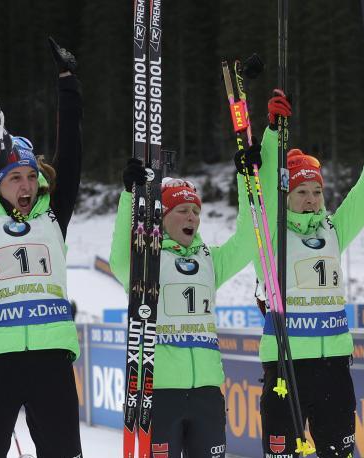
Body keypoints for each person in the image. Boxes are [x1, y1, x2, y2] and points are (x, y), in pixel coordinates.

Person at [244, 90, 364, 457]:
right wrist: (272, 135)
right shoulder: (269, 235)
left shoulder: (333, 229)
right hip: (287, 366)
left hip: (333, 366)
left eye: (316, 190)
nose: (311, 198)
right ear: (286, 193)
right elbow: (260, 193)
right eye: (301, 191)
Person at [0, 37, 83, 456]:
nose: (27, 186)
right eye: (16, 178)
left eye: (32, 177)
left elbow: (70, 153)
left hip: (51, 360)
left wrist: (68, 84)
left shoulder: (54, 215)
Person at [110, 152, 258, 456]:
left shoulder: (209, 260)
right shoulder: (146, 259)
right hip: (158, 391)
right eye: (182, 210)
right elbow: (119, 260)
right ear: (161, 216)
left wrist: (247, 180)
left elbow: (247, 240)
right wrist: (130, 198)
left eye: (195, 211)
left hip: (206, 392)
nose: (192, 217)